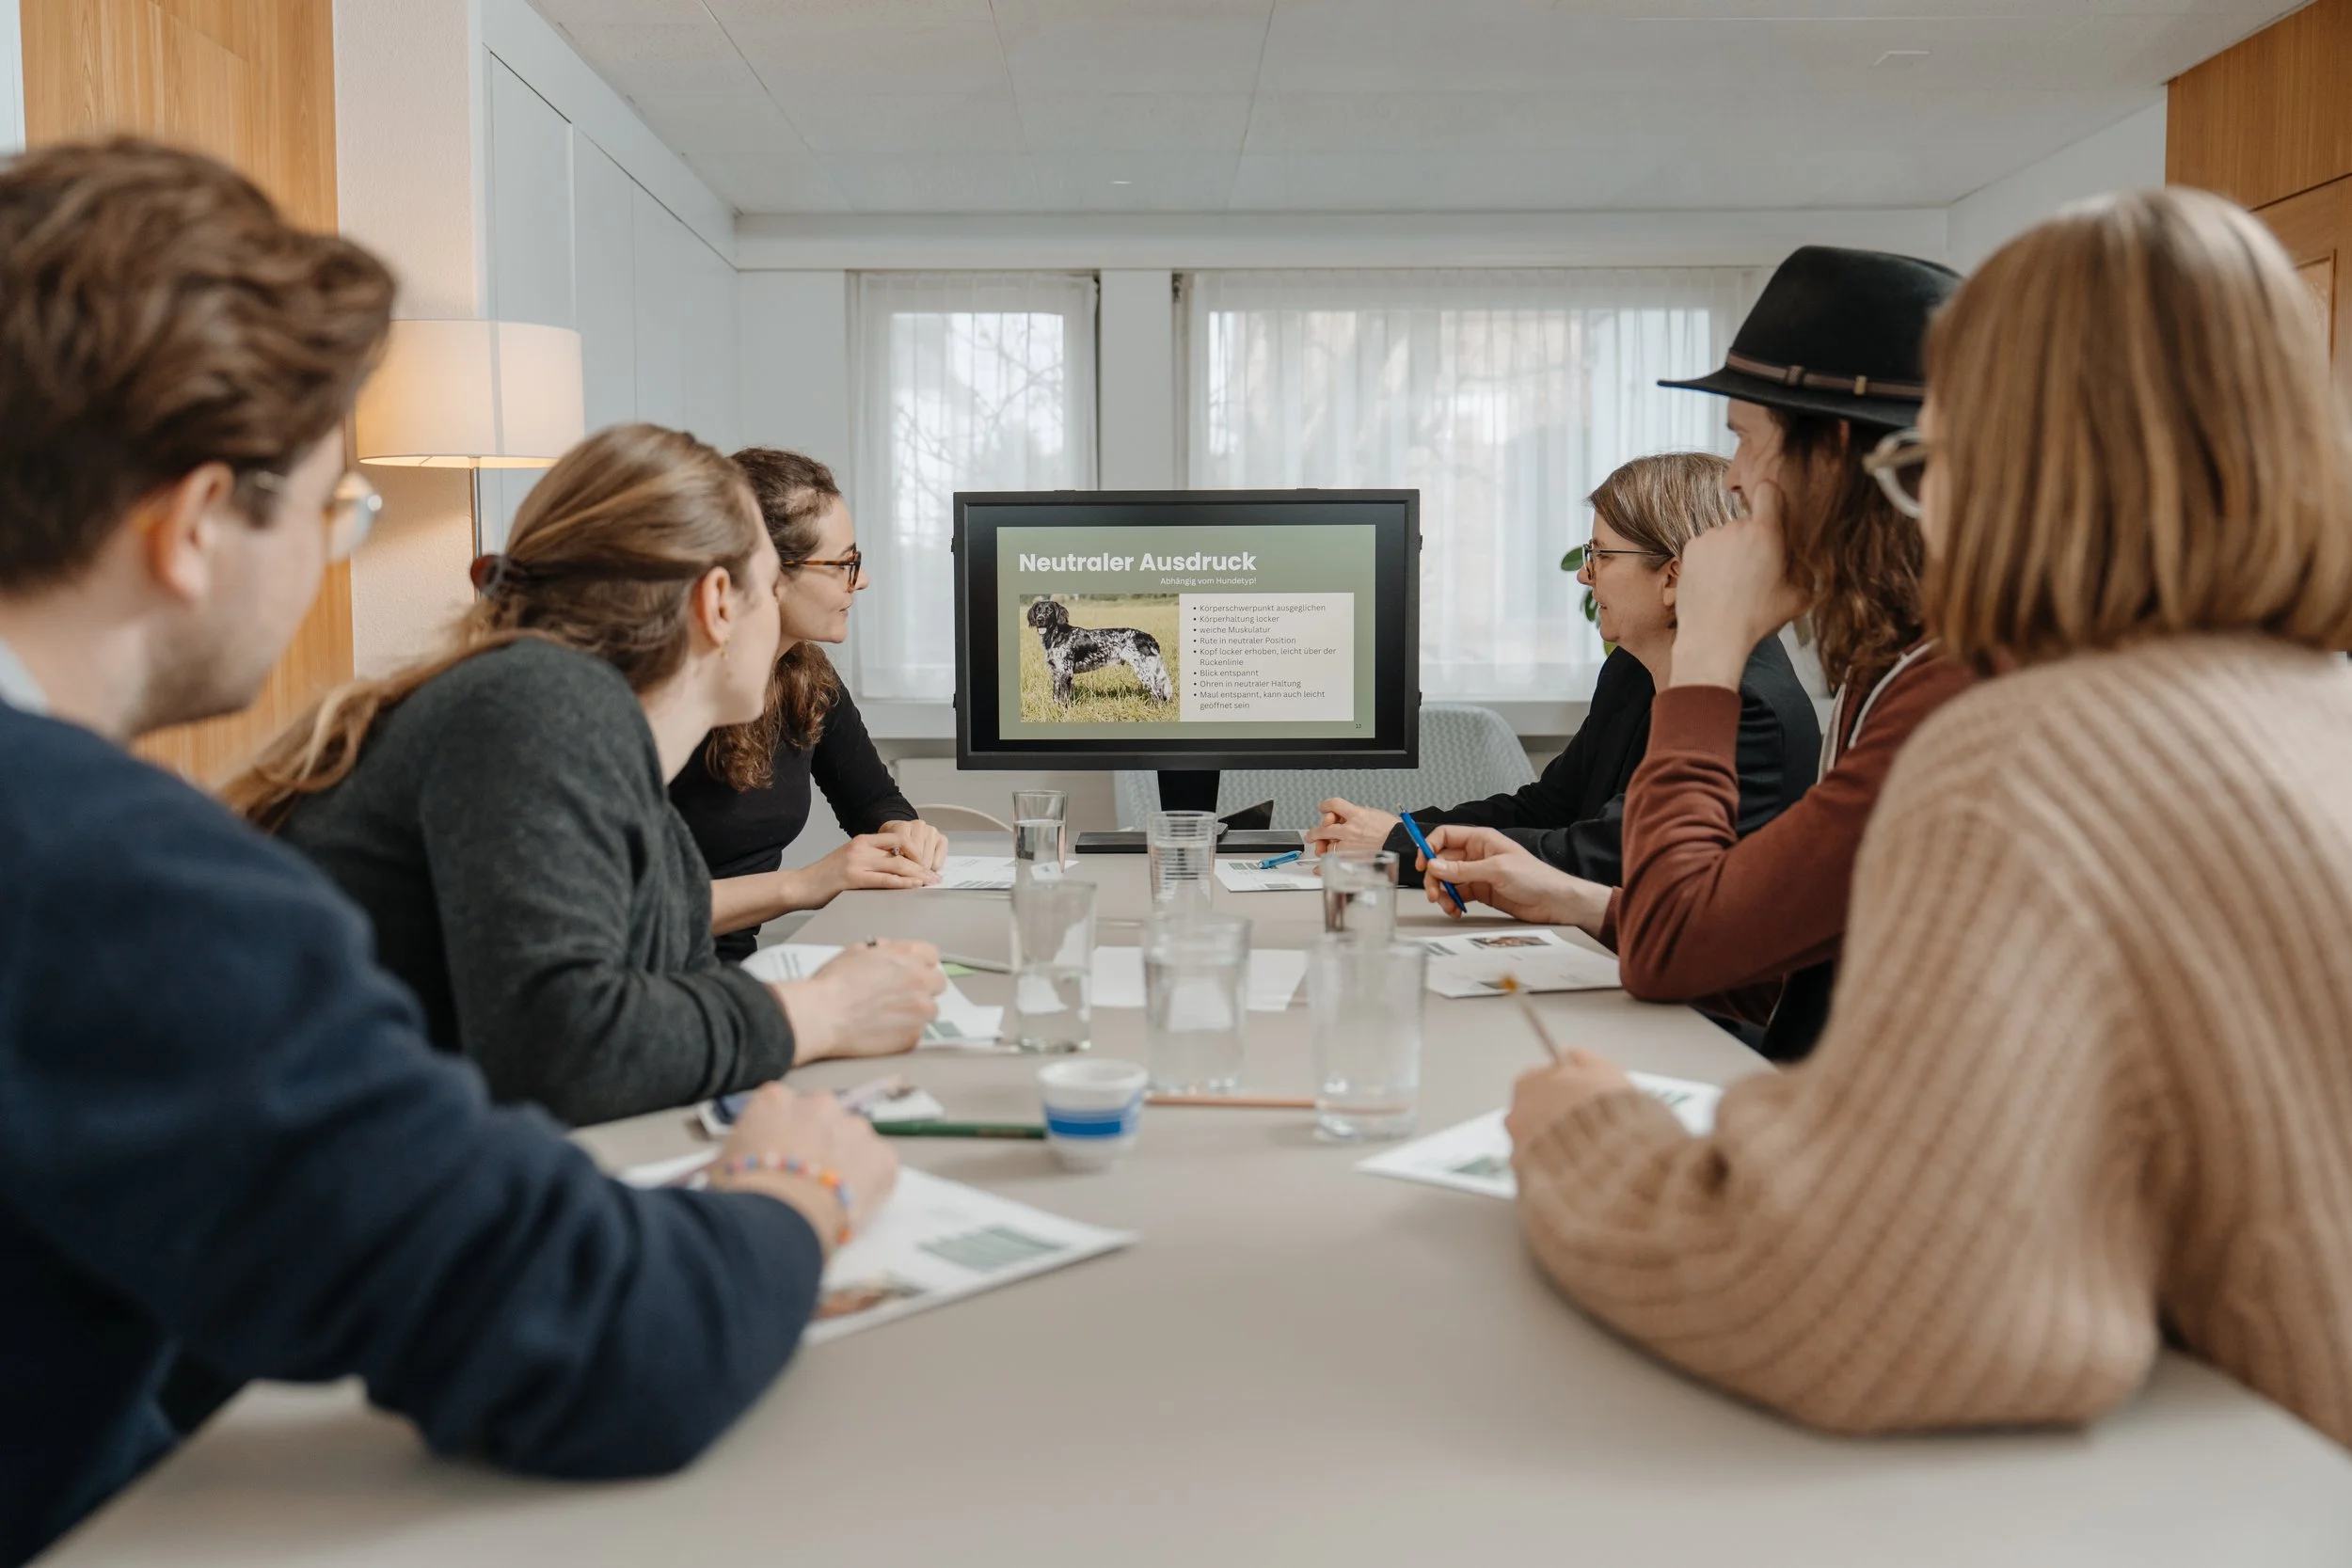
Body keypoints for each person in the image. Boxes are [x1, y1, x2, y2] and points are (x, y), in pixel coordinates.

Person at [0, 137, 901, 1566]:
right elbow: (614, 1339)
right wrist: (802, 1191)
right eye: (332, 508)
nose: (335, 551)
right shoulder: (98, 868)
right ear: (189, 532)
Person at [1504, 188, 2352, 1449]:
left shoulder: (2014, 739)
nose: (1732, 483)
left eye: (1745, 440)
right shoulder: (2312, 699)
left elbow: (1849, 1299)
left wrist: (1581, 1131)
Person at [228, 424, 945, 1128]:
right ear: (718, 601)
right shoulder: (535, 710)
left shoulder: (603, 748)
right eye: (765, 587)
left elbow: (658, 1002)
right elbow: (564, 1051)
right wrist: (827, 1009)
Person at [1420, 245, 1974, 1059]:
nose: (1739, 482)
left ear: (1835, 454)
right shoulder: (1886, 669)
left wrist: (1710, 648)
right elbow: (1777, 956)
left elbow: (1679, 949)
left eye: (1749, 441)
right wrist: (1581, 902)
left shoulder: (1947, 694)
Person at [1309, 452, 1818, 887]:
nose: (1583, 574)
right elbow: (1548, 809)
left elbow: (1602, 857)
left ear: (1671, 577)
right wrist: (1396, 829)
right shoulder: (1633, 672)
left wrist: (1399, 847)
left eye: (1601, 556)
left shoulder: (1747, 705)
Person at [670, 448, 948, 964]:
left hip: (734, 967)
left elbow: (871, 798)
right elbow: (626, 910)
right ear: (768, 574)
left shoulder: (803, 671)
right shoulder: (663, 699)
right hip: (665, 973)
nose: (860, 580)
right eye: (845, 563)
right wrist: (804, 884)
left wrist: (900, 832)